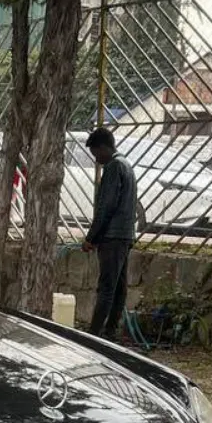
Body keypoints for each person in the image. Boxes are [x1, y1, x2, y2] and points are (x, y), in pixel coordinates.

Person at [83, 127, 136, 342]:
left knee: (106, 287)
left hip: (112, 237)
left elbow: (106, 206)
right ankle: (110, 331)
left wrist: (91, 238)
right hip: (125, 235)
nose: (97, 160)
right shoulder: (127, 165)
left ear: (104, 147)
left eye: (96, 154)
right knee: (119, 287)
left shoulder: (114, 167)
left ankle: (94, 335)